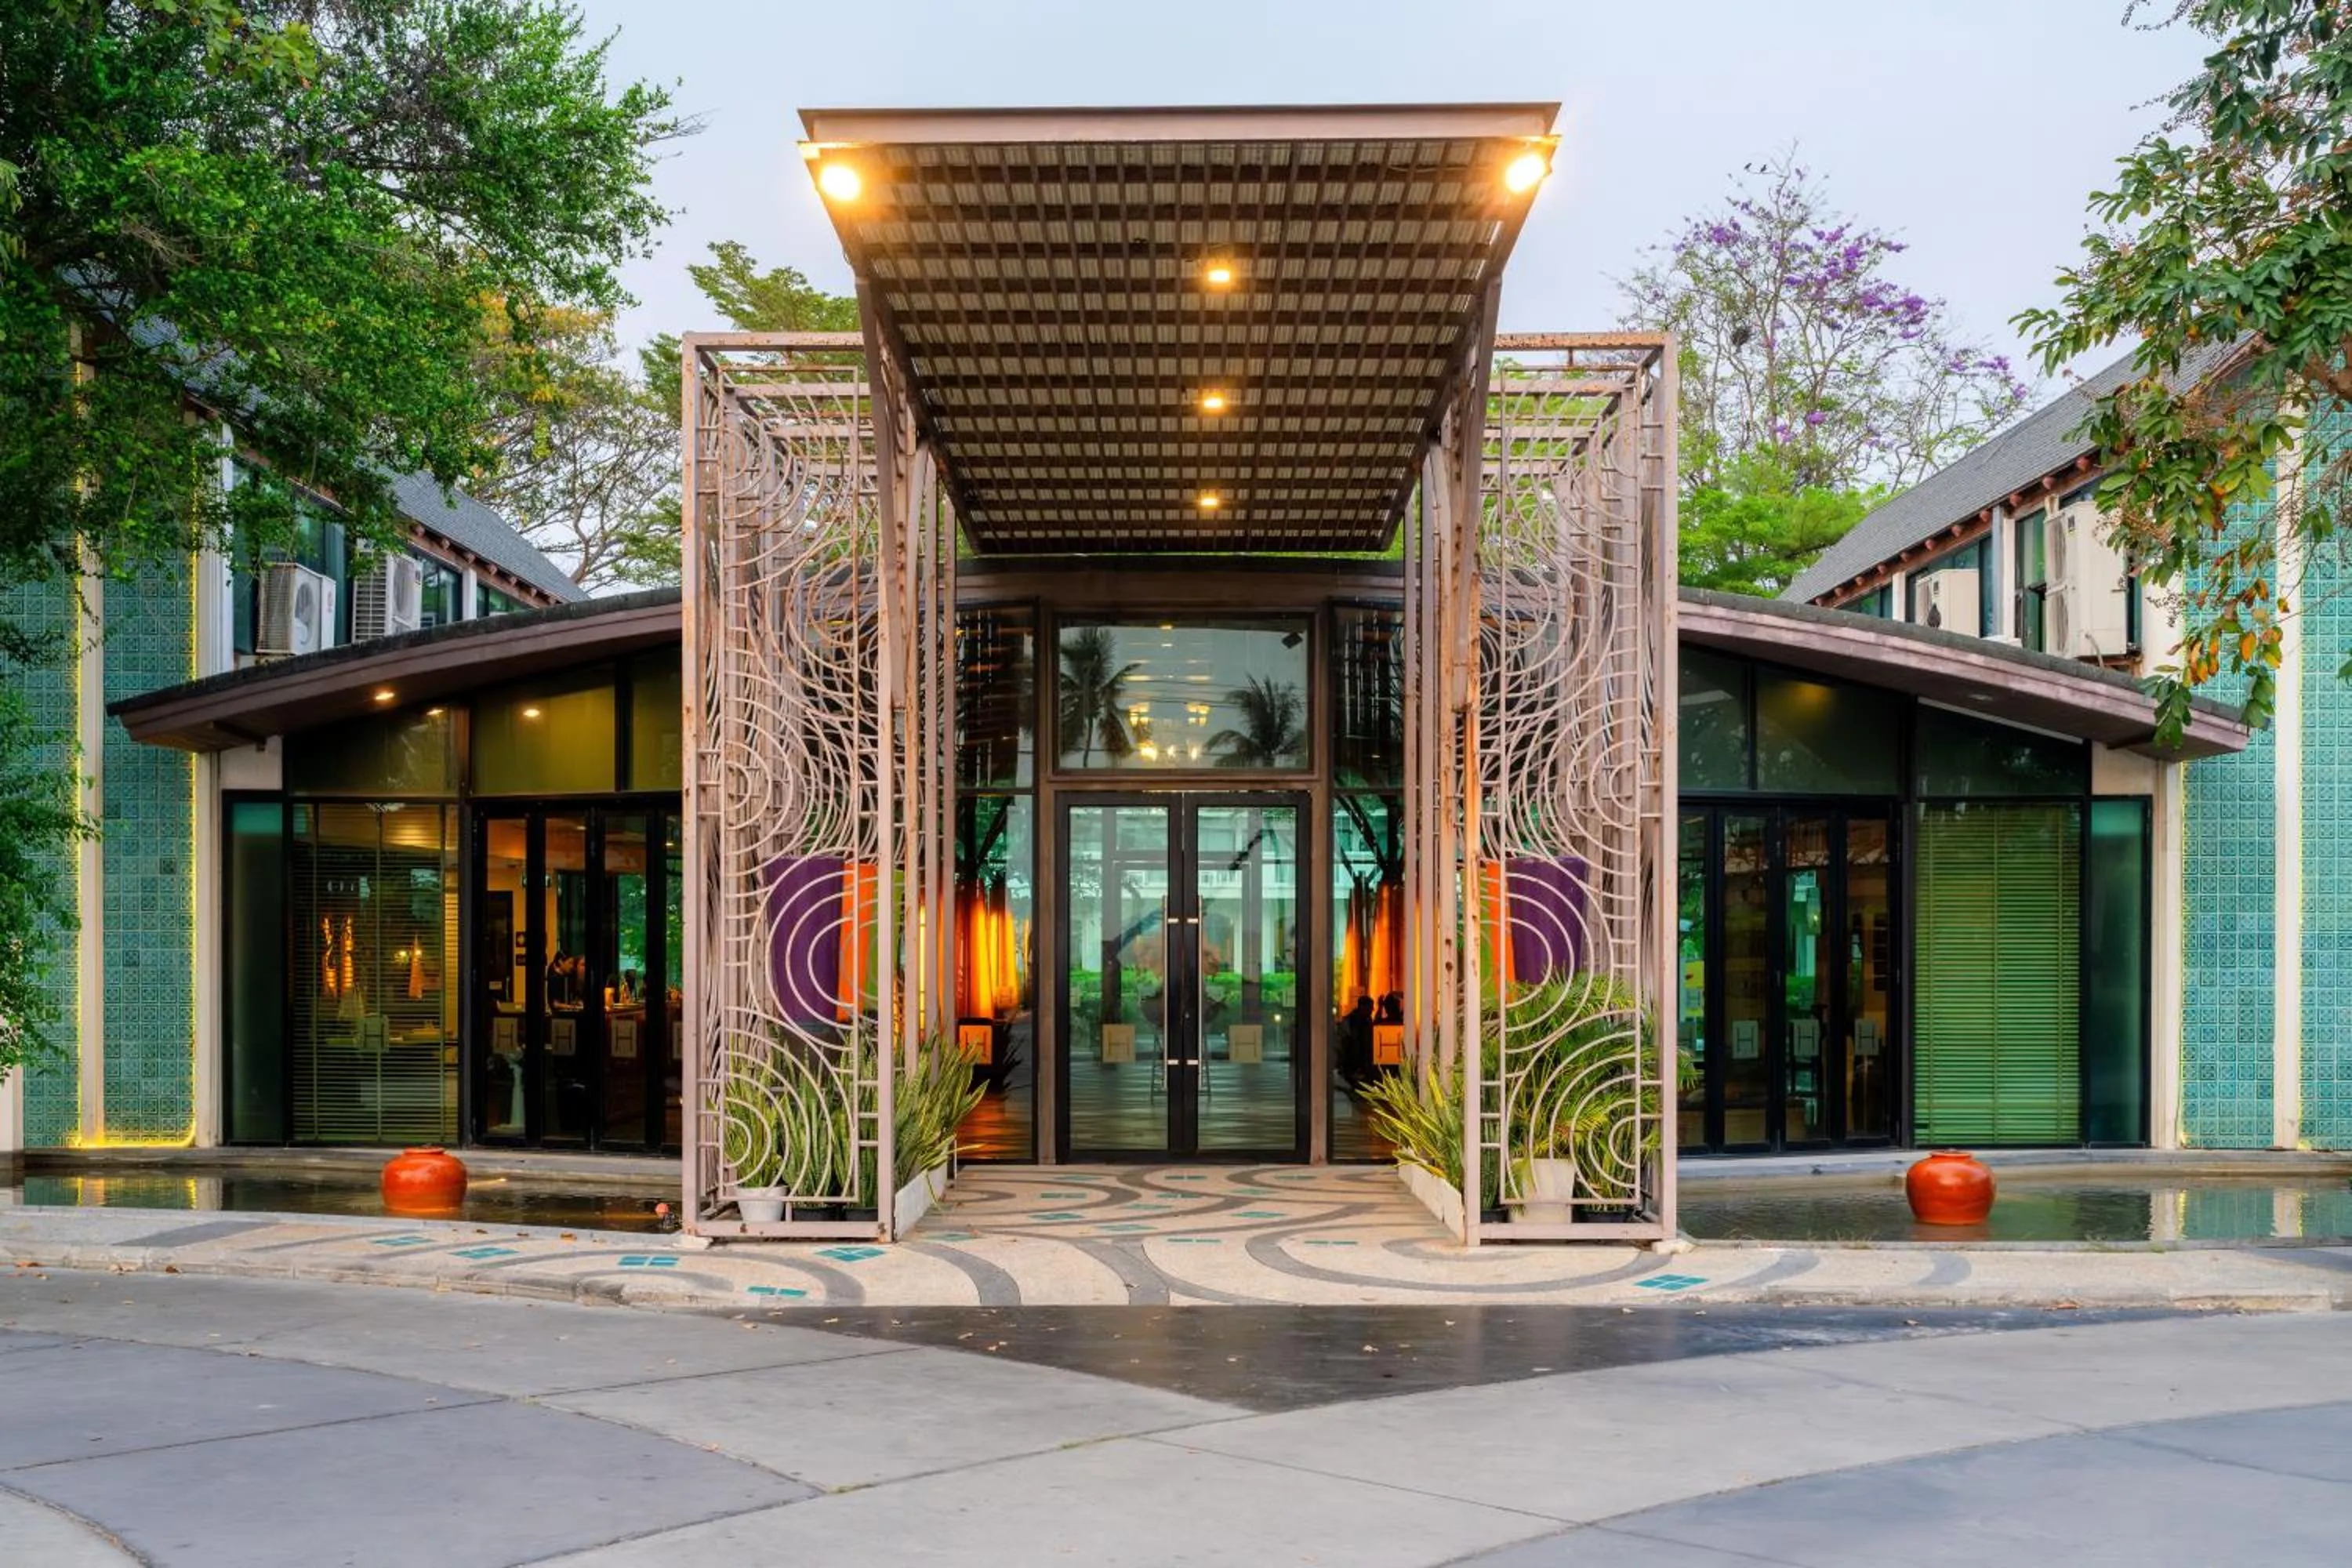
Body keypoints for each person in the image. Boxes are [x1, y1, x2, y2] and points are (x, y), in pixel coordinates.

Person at [1338, 994, 1374, 1087]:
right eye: (1369, 1008)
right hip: (1355, 1060)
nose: (1371, 1010)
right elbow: (1352, 1042)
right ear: (1362, 1007)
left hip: (1363, 1059)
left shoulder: (1367, 1019)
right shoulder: (1353, 1021)